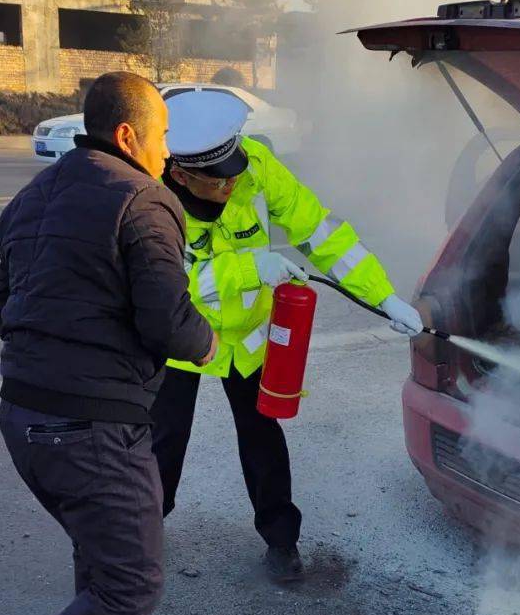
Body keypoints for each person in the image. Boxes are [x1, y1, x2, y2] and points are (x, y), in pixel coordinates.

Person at [0, 72, 217, 615]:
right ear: (130, 134)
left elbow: (4, 305)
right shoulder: (144, 198)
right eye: (162, 136)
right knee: (133, 579)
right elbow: (167, 321)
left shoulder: (29, 199)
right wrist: (210, 341)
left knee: (104, 540)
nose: (168, 152)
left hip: (25, 417)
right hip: (90, 425)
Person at [152, 88, 423, 582]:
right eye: (219, 180)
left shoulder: (253, 166)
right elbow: (168, 282)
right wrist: (253, 266)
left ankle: (281, 540)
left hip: (248, 338)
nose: (234, 182)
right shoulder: (153, 195)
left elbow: (320, 233)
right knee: (161, 443)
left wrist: (382, 297)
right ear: (181, 174)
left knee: (262, 438)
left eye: (235, 170)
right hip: (180, 338)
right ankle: (139, 541)